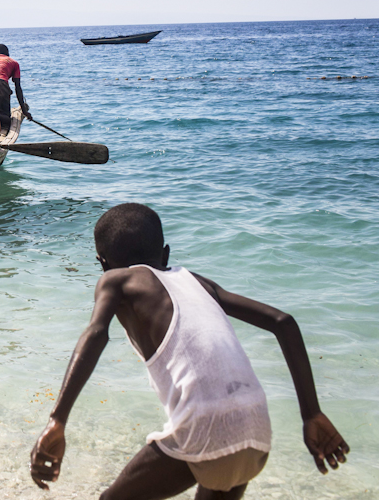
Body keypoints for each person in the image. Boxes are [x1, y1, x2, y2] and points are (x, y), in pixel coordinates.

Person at [29, 203, 350, 499]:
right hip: (256, 430)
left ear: (102, 263)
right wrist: (311, 414)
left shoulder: (116, 280)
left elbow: (97, 333)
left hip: (205, 425)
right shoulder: (198, 283)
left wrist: (58, 419)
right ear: (165, 254)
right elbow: (284, 322)